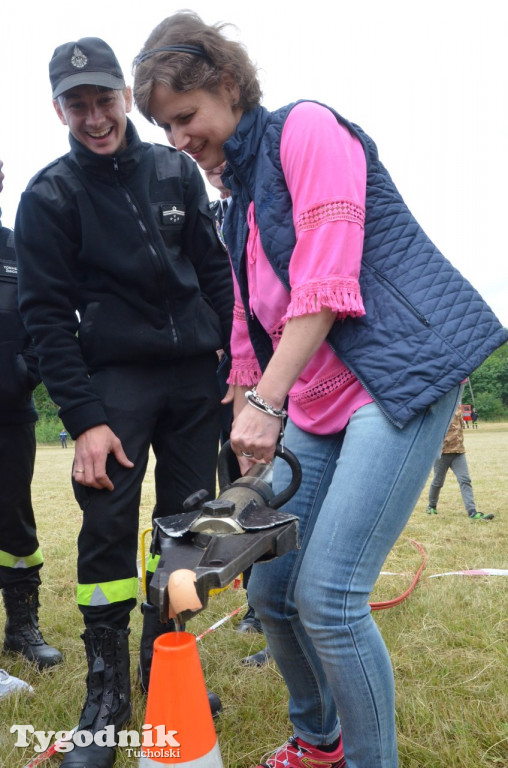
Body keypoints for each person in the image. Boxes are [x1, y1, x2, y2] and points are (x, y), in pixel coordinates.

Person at [132, 13, 508, 768]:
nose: (179, 139)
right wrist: (247, 407)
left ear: (229, 86)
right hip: (316, 402)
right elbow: (246, 324)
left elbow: (326, 280)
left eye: (186, 116)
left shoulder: (307, 130)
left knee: (331, 598)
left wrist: (268, 404)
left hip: (391, 383)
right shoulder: (237, 203)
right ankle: (318, 741)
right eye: (165, 127)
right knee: (272, 594)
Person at [15, 38, 232, 768]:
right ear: (59, 109)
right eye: (78, 104)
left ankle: (163, 660)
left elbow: (213, 270)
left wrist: (231, 358)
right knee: (108, 530)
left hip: (196, 381)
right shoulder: (49, 197)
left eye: (105, 99)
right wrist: (84, 419)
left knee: (187, 533)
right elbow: (44, 319)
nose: (95, 116)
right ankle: (105, 692)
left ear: (126, 98)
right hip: (115, 390)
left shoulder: (176, 170)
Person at [206, 163, 271, 666]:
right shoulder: (209, 218)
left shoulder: (262, 207)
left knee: (277, 497)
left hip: (274, 379)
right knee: (239, 498)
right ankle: (257, 603)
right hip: (231, 383)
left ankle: (275, 615)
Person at [0, 159, 62, 671]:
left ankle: (21, 627)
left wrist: (26, 373)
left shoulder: (17, 250)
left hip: (10, 415)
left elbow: (49, 318)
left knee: (14, 520)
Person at [426, 406, 493, 520]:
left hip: (459, 451)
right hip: (442, 453)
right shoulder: (438, 407)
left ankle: (472, 512)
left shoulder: (458, 407)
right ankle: (431, 506)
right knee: (438, 482)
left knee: (465, 480)